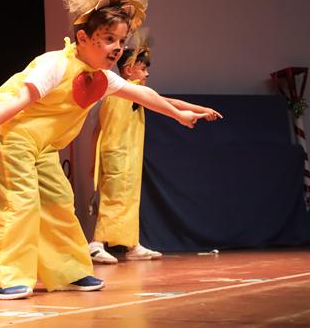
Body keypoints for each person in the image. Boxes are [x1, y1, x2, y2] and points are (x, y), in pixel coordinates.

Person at [0, 0, 207, 300]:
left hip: (42, 146)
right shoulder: (55, 64)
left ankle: (68, 271)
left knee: (59, 201)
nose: (117, 48)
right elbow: (20, 100)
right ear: (84, 37)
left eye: (121, 41)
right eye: (108, 39)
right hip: (8, 135)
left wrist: (179, 114)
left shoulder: (101, 79)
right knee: (19, 202)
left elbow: (144, 94)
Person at [89, 40, 222, 264]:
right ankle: (96, 243)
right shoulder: (125, 91)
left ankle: (132, 245)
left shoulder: (128, 92)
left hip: (128, 154)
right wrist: (201, 109)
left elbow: (96, 130)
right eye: (143, 68)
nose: (147, 74)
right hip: (117, 154)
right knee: (115, 198)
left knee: (129, 198)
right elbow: (167, 102)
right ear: (129, 70)